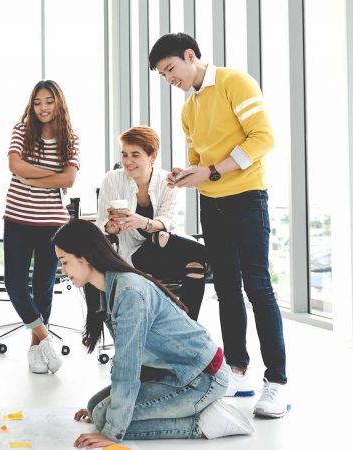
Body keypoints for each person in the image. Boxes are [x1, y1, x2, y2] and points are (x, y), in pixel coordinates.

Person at [149, 32, 289, 417]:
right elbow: (200, 159)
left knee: (257, 286)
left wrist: (211, 171)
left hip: (247, 199)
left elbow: (263, 138)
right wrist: (187, 173)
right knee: (226, 287)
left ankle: (276, 382)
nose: (169, 79)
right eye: (163, 75)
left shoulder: (234, 82)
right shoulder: (189, 109)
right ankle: (237, 370)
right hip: (213, 204)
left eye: (170, 69)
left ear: (190, 56)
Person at [52, 219, 254, 448]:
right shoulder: (107, 287)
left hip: (202, 379)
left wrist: (110, 432)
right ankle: (186, 409)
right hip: (172, 373)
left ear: (84, 257)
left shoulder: (128, 292)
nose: (63, 271)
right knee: (95, 406)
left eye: (64, 262)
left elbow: (128, 365)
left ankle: (203, 424)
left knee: (104, 418)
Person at [2, 80, 80, 374]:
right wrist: (53, 174)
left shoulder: (70, 139)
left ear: (58, 103)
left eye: (49, 101)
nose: (43, 107)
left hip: (51, 221)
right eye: (37, 102)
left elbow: (69, 180)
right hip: (17, 217)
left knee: (43, 287)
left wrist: (33, 179)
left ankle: (34, 350)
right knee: (14, 283)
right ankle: (45, 339)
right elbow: (15, 167)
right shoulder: (21, 130)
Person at [96, 126, 207, 320]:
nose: (128, 162)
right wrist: (110, 228)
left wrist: (142, 222)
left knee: (193, 263)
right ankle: (189, 329)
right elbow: (102, 225)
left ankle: (188, 327)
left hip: (163, 253)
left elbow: (165, 220)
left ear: (152, 155)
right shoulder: (112, 180)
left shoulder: (167, 181)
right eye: (124, 155)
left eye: (135, 155)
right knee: (166, 239)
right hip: (133, 256)